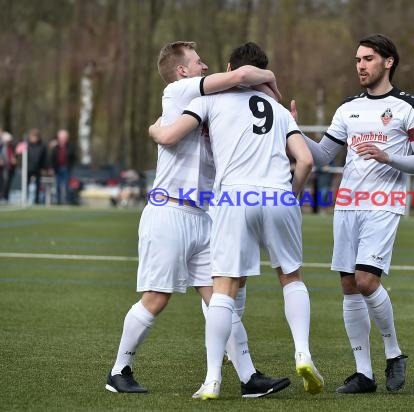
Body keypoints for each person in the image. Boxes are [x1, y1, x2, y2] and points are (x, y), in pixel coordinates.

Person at [106, 41, 289, 398]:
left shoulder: (208, 105)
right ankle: (119, 369)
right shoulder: (177, 92)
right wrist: (271, 78)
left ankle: (249, 377)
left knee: (220, 299)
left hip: (203, 217)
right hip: (169, 211)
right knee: (157, 298)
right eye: (197, 62)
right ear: (182, 71)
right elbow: (241, 74)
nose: (204, 66)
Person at [149, 42, 322, 400]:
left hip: (233, 197)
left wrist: (155, 130)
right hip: (277, 194)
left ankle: (213, 378)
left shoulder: (208, 99)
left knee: (223, 289)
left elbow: (171, 136)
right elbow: (305, 160)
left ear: (229, 68)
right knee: (291, 277)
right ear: (263, 70)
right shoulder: (278, 109)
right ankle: (303, 352)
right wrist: (291, 196)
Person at [295, 33, 414, 394]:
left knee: (366, 280)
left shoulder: (408, 106)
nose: (360, 65)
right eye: (358, 59)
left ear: (388, 62)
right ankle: (364, 374)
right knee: (348, 285)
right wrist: (290, 129)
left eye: (368, 59)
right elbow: (324, 155)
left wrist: (389, 156)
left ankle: (393, 354)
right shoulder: (348, 108)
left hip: (383, 203)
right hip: (347, 204)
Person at [50, 129, 76, 205]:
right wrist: (52, 168)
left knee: (67, 185)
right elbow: (52, 158)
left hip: (66, 168)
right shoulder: (55, 147)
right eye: (61, 137)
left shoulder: (70, 146)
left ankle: (67, 201)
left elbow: (72, 156)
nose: (62, 139)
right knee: (57, 185)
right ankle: (58, 201)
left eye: (64, 137)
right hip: (57, 168)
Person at [26, 129, 48, 205]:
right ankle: (25, 198)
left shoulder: (42, 145)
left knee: (38, 185)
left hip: (38, 168)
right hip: (28, 168)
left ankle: (37, 200)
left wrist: (44, 168)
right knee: (26, 184)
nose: (34, 138)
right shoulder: (26, 144)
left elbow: (44, 158)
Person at [0, 130, 17, 203]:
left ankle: (6, 197)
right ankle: (2, 196)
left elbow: (14, 155)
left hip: (10, 167)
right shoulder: (1, 146)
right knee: (4, 182)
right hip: (3, 168)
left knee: (8, 182)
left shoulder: (12, 147)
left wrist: (14, 159)